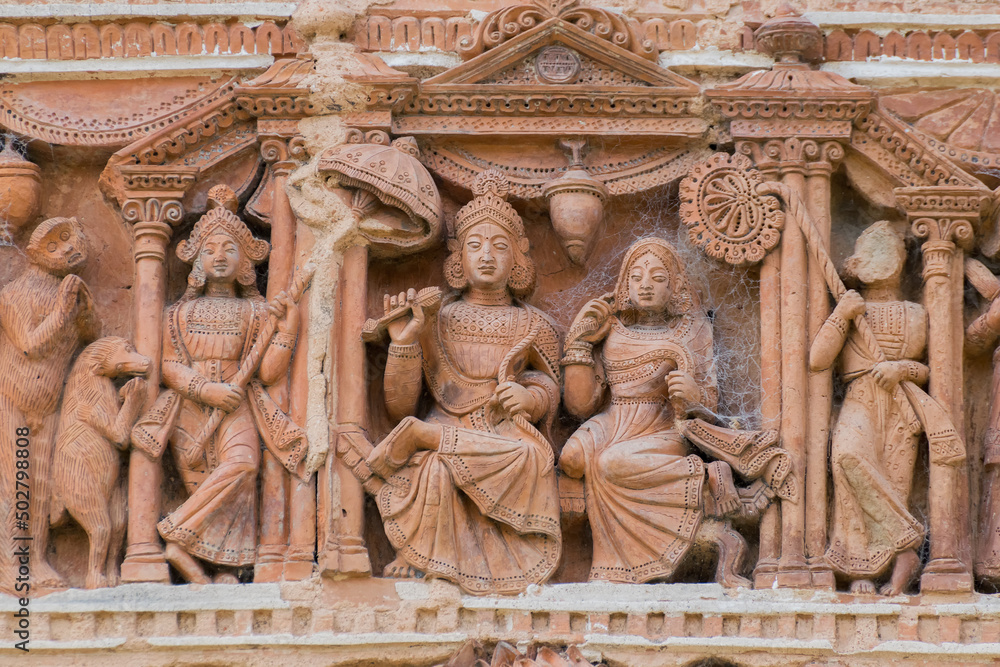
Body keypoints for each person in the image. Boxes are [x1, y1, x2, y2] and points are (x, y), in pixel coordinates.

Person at [354, 169, 562, 595]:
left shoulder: (534, 323)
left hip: (503, 435)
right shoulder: (438, 318)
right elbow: (399, 405)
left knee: (532, 457)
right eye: (475, 245)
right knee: (434, 467)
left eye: (500, 246)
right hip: (448, 424)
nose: (487, 255)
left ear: (519, 259)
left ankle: (425, 437)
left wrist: (530, 397)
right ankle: (421, 555)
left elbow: (550, 386)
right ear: (458, 258)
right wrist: (405, 342)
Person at [131, 185, 305, 584]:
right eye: (210, 250)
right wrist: (204, 390)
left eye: (229, 248)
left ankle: (177, 532)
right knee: (200, 480)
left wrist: (287, 331)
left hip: (239, 401)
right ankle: (203, 563)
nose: (220, 256)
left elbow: (269, 373)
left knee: (244, 465)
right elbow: (169, 366)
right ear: (196, 262)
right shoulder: (179, 313)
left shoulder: (257, 311)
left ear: (246, 260)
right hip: (190, 405)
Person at [558, 237, 736, 584]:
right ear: (625, 285)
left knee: (611, 463)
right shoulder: (611, 330)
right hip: (614, 419)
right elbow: (581, 405)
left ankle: (704, 475)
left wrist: (694, 394)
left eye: (657, 278)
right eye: (637, 278)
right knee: (571, 458)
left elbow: (708, 407)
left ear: (675, 287)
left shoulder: (694, 330)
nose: (646, 286)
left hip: (661, 427)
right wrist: (579, 341)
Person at [811, 221, 929, 596]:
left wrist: (900, 369)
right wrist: (841, 315)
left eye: (888, 248)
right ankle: (902, 546)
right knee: (847, 458)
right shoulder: (850, 305)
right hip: (860, 396)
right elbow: (817, 359)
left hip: (900, 404)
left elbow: (930, 371)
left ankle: (882, 569)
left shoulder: (915, 313)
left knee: (894, 482)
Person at [0, 216, 100, 591]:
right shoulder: (16, 294)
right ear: (34, 256)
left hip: (47, 405)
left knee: (40, 486)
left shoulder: (69, 291)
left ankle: (35, 560)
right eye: (53, 246)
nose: (69, 248)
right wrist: (61, 312)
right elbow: (28, 343)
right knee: (16, 483)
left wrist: (84, 308)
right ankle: (11, 567)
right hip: (12, 403)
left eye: (69, 237)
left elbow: (91, 337)